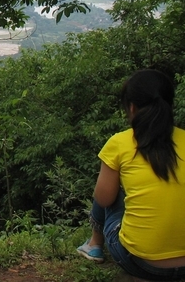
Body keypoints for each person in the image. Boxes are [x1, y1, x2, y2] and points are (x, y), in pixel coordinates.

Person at [77, 69, 185, 281]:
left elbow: (103, 199)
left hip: (141, 263)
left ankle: (94, 244)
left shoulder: (120, 143)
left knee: (108, 190)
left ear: (132, 107)